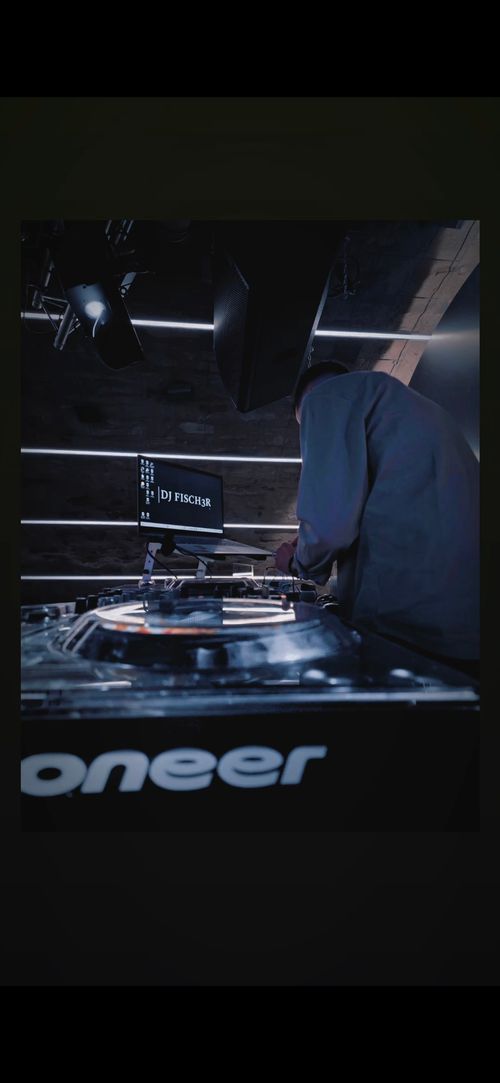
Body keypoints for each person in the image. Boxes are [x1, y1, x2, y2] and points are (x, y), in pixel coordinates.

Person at [275, 362, 479, 674]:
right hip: (465, 622)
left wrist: (296, 561)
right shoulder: (418, 409)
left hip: (407, 625)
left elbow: (330, 528)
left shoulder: (324, 398)